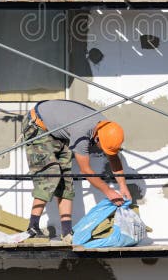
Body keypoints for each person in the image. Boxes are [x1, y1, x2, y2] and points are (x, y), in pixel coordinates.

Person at [20, 99, 130, 242]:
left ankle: (67, 232)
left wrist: (122, 185)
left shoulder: (107, 128)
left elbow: (113, 157)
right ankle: (33, 228)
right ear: (97, 138)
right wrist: (109, 191)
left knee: (67, 179)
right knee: (50, 174)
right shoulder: (82, 134)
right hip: (37, 125)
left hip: (58, 129)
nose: (102, 151)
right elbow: (86, 170)